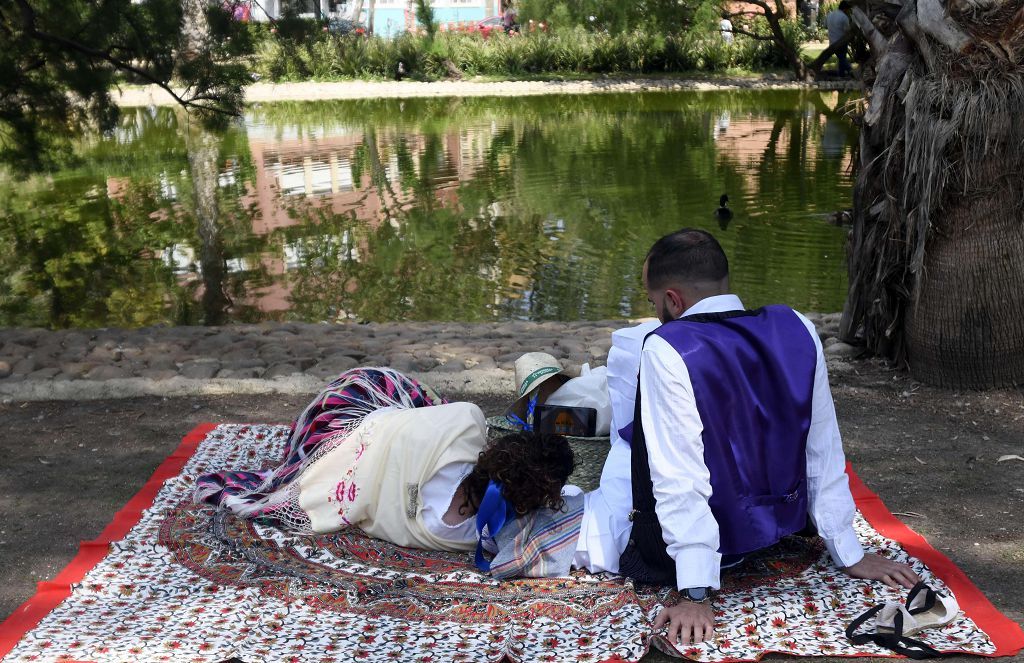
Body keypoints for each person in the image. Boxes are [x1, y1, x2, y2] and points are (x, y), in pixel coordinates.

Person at [593, 229, 920, 646]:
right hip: (778, 531)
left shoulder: (665, 347)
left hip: (701, 553)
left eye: (656, 304)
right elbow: (821, 446)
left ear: (673, 300)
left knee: (619, 463)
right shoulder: (797, 326)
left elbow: (679, 475)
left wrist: (695, 590)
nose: (658, 314)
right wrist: (847, 550)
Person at [195, 367, 583, 579]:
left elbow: (417, 420)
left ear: (506, 449)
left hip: (342, 418)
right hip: (350, 455)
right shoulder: (478, 540)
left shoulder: (467, 422)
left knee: (405, 400)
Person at [826, 1, 853, 77]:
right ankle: (850, 70)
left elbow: (826, 25)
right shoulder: (844, 17)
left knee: (841, 58)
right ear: (846, 9)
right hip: (841, 41)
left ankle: (842, 74)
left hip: (832, 41)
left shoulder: (830, 15)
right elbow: (847, 30)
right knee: (842, 58)